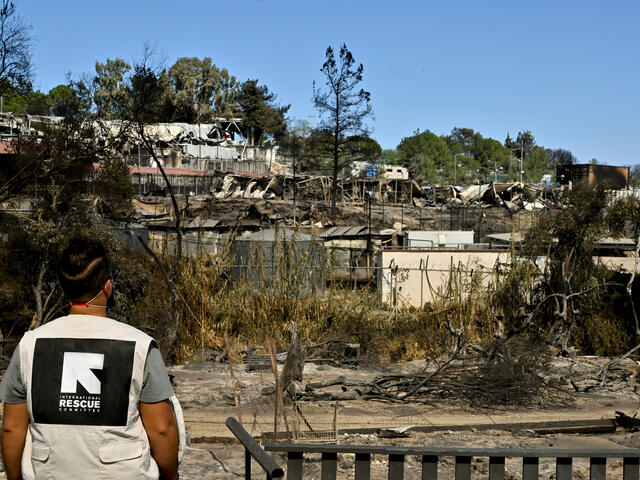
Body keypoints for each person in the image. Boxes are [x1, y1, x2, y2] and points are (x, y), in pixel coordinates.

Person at [0, 236, 180, 480]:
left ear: (64, 288)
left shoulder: (28, 346)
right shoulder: (140, 346)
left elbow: (11, 428)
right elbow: (161, 430)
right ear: (107, 287)